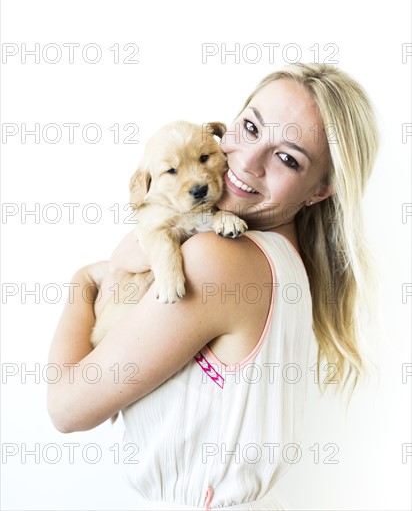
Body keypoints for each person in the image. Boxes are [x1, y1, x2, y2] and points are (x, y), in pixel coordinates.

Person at [47, 63, 379, 510]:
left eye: (287, 158)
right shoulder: (281, 262)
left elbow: (66, 408)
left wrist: (83, 280)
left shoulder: (218, 258)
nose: (245, 161)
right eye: (250, 127)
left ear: (320, 191)